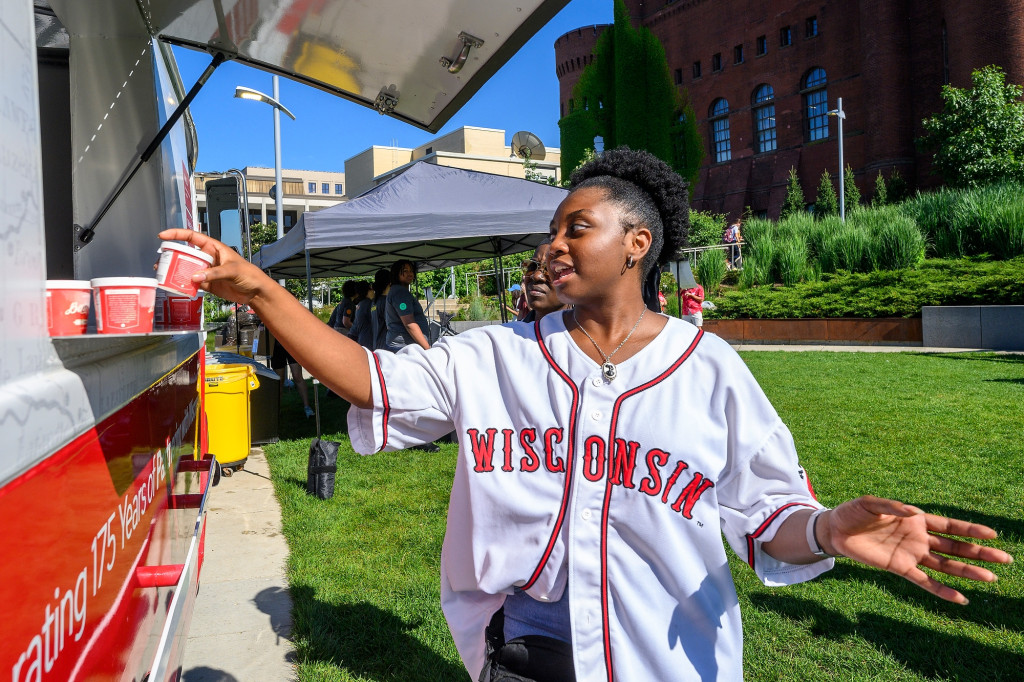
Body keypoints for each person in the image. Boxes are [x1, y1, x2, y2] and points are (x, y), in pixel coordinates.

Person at [160, 147, 1011, 682]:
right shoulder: (496, 354)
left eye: (578, 226)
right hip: (525, 650)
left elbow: (766, 518)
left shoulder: (708, 368)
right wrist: (264, 292)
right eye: (552, 230)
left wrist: (825, 531)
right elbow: (373, 383)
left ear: (637, 243)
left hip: (668, 659)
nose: (552, 244)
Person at [384, 259, 430, 352]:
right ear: (396, 273)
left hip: (403, 346)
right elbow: (409, 324)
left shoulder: (397, 291)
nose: (410, 274)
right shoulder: (400, 293)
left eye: (411, 271)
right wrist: (428, 349)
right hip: (404, 348)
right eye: (405, 271)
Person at [267, 326, 313, 419]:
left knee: (297, 376)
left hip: (291, 342)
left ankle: (307, 407)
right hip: (276, 346)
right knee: (279, 381)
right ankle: (277, 412)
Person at [519, 242, 566, 323]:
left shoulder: (588, 333)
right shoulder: (510, 334)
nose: (536, 276)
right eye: (532, 266)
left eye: (550, 269)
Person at [370, 268, 391, 351]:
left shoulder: (374, 302)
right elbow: (390, 324)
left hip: (376, 344)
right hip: (385, 347)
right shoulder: (386, 302)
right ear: (390, 282)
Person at [348, 280, 374, 347]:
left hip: (360, 337)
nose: (373, 291)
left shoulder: (361, 303)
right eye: (371, 289)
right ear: (367, 291)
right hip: (367, 340)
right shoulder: (368, 304)